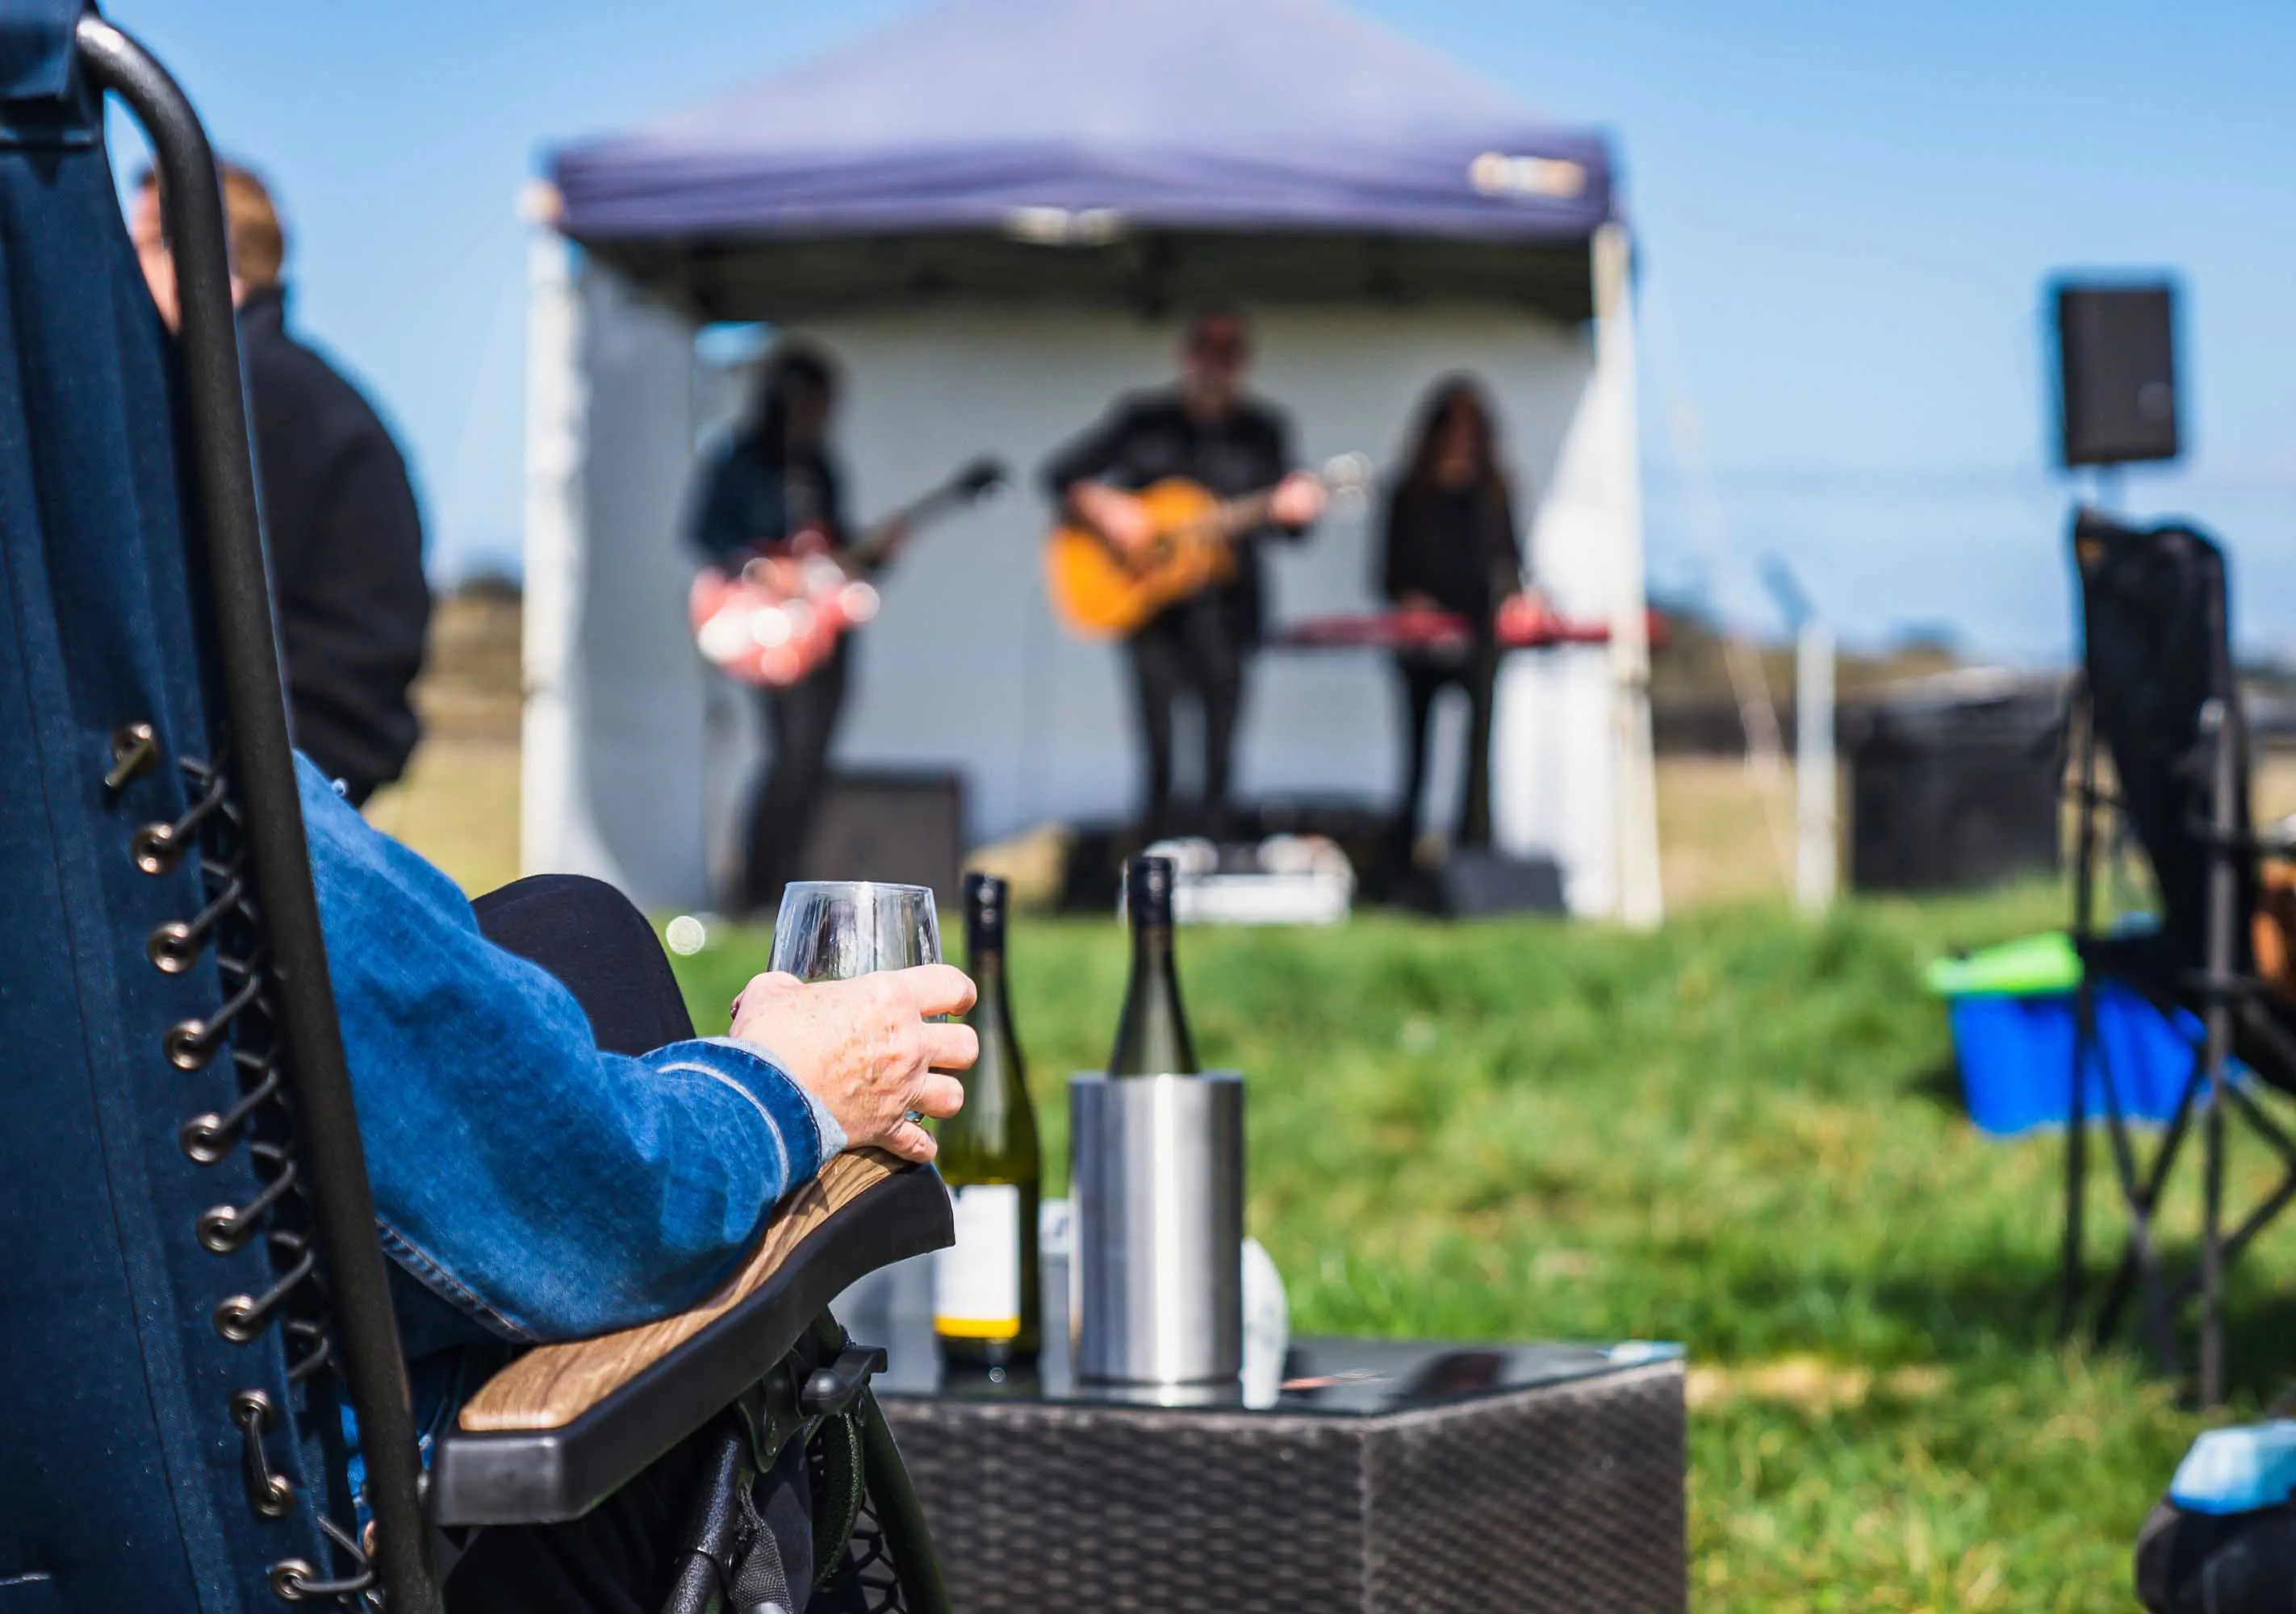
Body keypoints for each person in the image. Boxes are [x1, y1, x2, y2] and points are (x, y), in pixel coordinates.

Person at [291, 751, 975, 1610]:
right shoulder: (193, 789)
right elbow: (608, 1204)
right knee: (598, 943)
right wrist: (787, 1084)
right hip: (365, 1538)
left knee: (568, 922)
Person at [131, 164, 432, 805]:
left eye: (135, 249)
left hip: (291, 758)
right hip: (318, 739)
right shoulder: (282, 383)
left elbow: (198, 597)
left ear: (181, 248)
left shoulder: (246, 395)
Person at [1042, 306, 1324, 839]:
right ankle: (1152, 862)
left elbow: (1289, 531)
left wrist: (1295, 511)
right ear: (1186, 354)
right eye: (1207, 350)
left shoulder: (1263, 432)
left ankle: (1212, 861)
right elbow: (1059, 475)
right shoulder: (1142, 420)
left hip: (1228, 612)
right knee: (1159, 749)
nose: (1216, 364)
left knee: (1220, 750)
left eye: (1229, 353)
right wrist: (1106, 507)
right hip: (1149, 609)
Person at [688, 345, 905, 915]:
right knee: (788, 756)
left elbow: (833, 552)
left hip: (824, 633)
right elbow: (705, 534)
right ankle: (756, 888)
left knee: (812, 760)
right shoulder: (739, 460)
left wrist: (874, 552)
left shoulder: (821, 465)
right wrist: (762, 568)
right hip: (769, 630)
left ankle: (791, 885)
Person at [1377, 376, 1536, 865]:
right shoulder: (1408, 493)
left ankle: (1476, 850)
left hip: (1481, 636)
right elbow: (1387, 573)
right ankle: (1405, 857)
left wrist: (1517, 601)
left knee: (1479, 753)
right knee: (1416, 754)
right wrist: (1412, 605)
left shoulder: (1494, 492)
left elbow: (1512, 563)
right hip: (1419, 644)